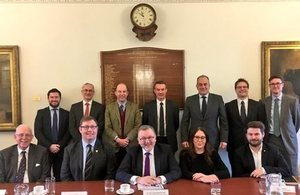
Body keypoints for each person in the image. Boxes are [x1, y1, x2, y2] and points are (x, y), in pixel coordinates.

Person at [116, 125, 181, 185]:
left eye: (150, 137)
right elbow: (120, 173)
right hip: (139, 189)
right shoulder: (132, 152)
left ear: (155, 138)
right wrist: (138, 179)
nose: (147, 141)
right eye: (143, 138)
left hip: (159, 188)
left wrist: (160, 179)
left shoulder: (166, 150)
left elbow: (176, 171)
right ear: (138, 140)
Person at [261, 75, 300, 176]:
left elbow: (296, 122)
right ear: (269, 86)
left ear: (282, 85)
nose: (275, 86)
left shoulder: (292, 101)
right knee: (271, 168)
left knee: (291, 169)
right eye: (272, 84)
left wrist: (287, 132)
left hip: (287, 140)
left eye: (278, 83)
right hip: (270, 139)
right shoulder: (263, 102)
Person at [225, 78, 268, 165]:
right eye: (239, 87)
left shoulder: (258, 105)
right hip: (234, 145)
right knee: (236, 173)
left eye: (244, 87)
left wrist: (264, 141)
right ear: (235, 89)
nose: (242, 89)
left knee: (255, 169)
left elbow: (263, 124)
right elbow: (225, 125)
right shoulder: (228, 106)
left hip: (254, 143)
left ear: (248, 89)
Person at [60, 116, 116, 181]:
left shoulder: (108, 149)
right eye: (86, 127)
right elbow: (65, 175)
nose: (90, 130)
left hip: (99, 189)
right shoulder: (69, 150)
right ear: (80, 129)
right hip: (76, 189)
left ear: (97, 129)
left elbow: (110, 175)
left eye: (93, 127)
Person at [181, 75, 229, 149]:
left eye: (205, 84)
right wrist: (184, 139)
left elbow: (223, 121)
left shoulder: (218, 99)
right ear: (197, 86)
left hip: (213, 139)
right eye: (200, 84)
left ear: (209, 85)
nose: (203, 87)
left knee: (212, 160)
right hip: (194, 139)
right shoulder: (189, 100)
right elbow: (185, 122)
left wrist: (224, 139)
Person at [34, 88, 71, 181]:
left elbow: (68, 132)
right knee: (43, 176)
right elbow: (38, 132)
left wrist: (59, 146)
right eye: (52, 97)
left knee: (59, 176)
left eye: (56, 97)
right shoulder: (41, 113)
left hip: (61, 150)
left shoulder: (66, 113)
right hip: (44, 150)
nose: (54, 99)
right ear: (48, 98)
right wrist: (50, 146)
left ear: (60, 98)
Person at [103, 83, 142, 168]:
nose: (122, 94)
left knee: (130, 171)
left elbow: (138, 125)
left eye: (124, 91)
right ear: (116, 93)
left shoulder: (135, 107)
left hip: (131, 145)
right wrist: (118, 139)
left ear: (127, 93)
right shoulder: (109, 108)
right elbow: (107, 127)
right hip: (114, 146)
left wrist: (127, 139)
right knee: (114, 172)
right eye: (119, 91)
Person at [142, 81, 179, 153]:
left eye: (162, 89)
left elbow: (176, 124)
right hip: (153, 140)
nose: (160, 92)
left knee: (169, 162)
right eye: (158, 90)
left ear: (166, 90)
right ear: (154, 91)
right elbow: (144, 124)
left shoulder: (173, 106)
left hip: (169, 140)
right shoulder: (148, 106)